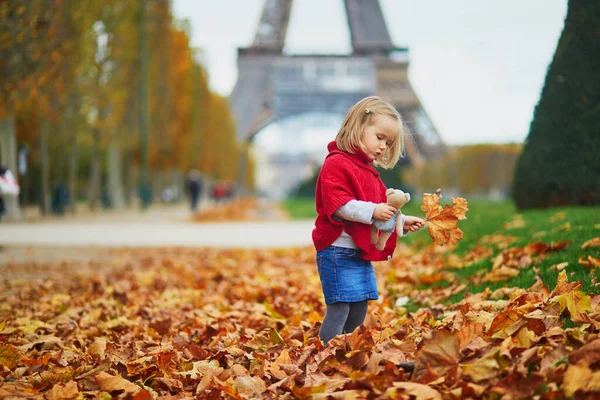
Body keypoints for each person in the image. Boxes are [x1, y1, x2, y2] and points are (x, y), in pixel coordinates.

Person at [312, 96, 426, 347]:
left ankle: (348, 349)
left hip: (357, 252)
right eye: (380, 137)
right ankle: (325, 352)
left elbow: (378, 207)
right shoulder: (336, 163)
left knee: (359, 308)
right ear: (358, 126)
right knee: (340, 307)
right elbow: (339, 205)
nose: (384, 146)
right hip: (336, 251)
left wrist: (401, 221)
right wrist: (374, 211)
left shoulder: (367, 170)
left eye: (389, 142)